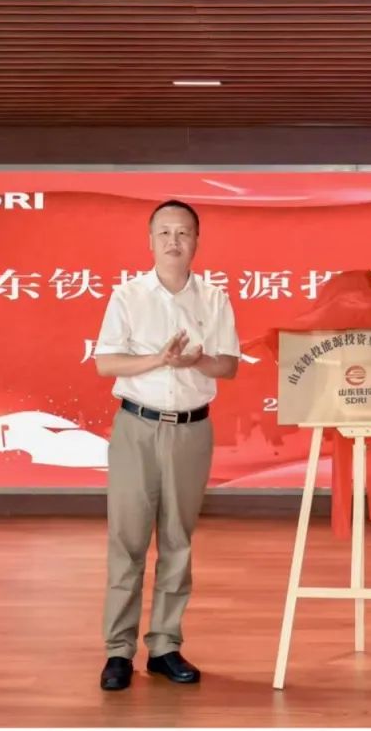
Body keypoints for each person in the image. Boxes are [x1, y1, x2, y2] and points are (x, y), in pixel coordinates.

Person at [93, 199, 240, 691]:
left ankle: (164, 645)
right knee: (128, 540)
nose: (174, 241)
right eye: (164, 233)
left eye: (183, 233)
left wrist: (194, 362)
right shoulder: (128, 296)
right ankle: (118, 651)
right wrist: (159, 359)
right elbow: (106, 363)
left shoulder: (214, 299)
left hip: (192, 430)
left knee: (178, 539)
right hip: (137, 426)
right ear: (150, 241)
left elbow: (228, 366)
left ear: (196, 241)